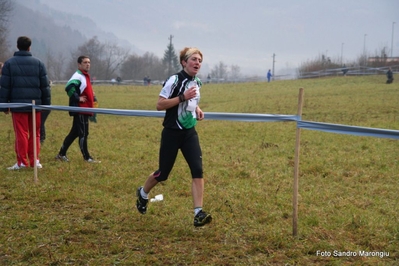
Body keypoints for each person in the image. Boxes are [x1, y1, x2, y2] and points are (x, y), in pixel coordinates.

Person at [136, 47, 212, 227]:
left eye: (199, 60)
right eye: (193, 59)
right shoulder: (174, 80)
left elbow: (191, 103)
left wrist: (198, 110)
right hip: (171, 132)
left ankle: (198, 213)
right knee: (163, 174)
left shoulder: (197, 82)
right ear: (184, 62)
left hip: (189, 133)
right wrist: (182, 97)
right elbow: (160, 105)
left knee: (197, 169)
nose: (197, 63)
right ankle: (143, 193)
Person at [0, 36, 51, 170]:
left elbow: (5, 86)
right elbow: (45, 86)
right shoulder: (39, 63)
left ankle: (22, 162)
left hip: (18, 105)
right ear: (30, 47)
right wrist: (46, 104)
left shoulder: (9, 64)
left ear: (17, 46)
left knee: (21, 133)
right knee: (36, 133)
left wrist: (4, 105)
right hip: (36, 105)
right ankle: (35, 160)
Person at [55, 55, 100, 163]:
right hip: (81, 109)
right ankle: (87, 158)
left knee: (74, 133)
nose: (88, 64)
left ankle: (61, 154)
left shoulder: (85, 76)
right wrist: (77, 97)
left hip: (85, 109)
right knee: (83, 133)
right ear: (79, 64)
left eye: (89, 62)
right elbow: (69, 87)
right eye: (85, 62)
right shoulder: (78, 75)